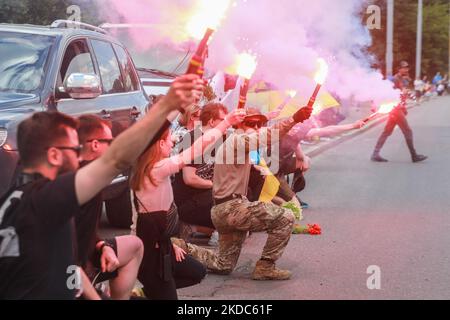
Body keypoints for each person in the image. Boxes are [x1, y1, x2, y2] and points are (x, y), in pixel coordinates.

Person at [0, 74, 203, 300]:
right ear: (54, 154)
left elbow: (67, 269)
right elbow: (116, 159)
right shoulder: (43, 198)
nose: (79, 154)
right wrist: (167, 105)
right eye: (73, 148)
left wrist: (99, 246)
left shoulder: (21, 195)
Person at [177, 104, 314, 281]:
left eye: (260, 123)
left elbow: (265, 142)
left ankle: (179, 246)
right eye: (252, 123)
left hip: (224, 210)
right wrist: (293, 118)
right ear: (239, 125)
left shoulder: (237, 143)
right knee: (285, 217)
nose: (257, 128)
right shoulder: (237, 140)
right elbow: (269, 135)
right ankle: (266, 266)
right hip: (232, 209)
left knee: (223, 264)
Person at [130, 108, 245, 300]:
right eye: (168, 140)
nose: (173, 141)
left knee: (197, 271)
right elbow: (196, 148)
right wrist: (226, 122)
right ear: (159, 145)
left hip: (161, 245)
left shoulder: (156, 167)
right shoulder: (155, 170)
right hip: (150, 252)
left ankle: (148, 293)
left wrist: (168, 242)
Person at [75, 115, 144, 300]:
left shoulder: (90, 179)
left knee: (135, 245)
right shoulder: (83, 183)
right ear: (95, 144)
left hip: (86, 257)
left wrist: (102, 245)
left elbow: (86, 231)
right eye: (109, 141)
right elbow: (67, 252)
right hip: (70, 272)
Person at [172, 103, 229, 245]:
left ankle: (197, 227)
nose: (227, 124)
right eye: (223, 120)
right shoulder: (193, 138)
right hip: (188, 200)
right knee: (226, 196)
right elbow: (190, 179)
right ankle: (191, 224)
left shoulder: (221, 139)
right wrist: (217, 185)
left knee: (245, 190)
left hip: (205, 196)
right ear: (211, 121)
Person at [371, 61, 428, 163]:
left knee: (387, 132)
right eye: (404, 68)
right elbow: (389, 92)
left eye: (407, 67)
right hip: (395, 109)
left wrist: (415, 99)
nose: (406, 69)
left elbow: (407, 92)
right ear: (399, 69)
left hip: (398, 109)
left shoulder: (403, 79)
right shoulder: (394, 79)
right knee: (408, 131)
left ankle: (375, 154)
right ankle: (414, 156)